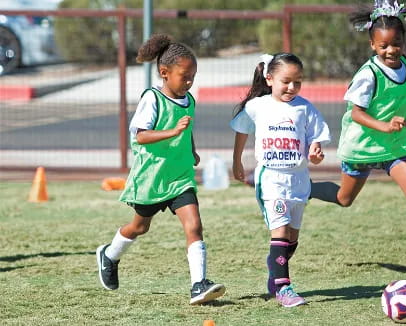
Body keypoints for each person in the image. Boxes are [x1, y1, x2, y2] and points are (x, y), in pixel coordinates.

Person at [310, 0, 406, 285]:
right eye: (383, 46)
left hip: (394, 146)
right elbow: (356, 113)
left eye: (396, 43)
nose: (391, 50)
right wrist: (384, 124)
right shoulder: (368, 75)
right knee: (343, 199)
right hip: (362, 147)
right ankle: (305, 188)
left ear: (404, 41)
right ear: (373, 45)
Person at [96, 33, 225, 305]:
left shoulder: (189, 100)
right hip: (153, 178)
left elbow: (186, 128)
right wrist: (172, 132)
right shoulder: (152, 99)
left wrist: (191, 149)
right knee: (139, 227)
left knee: (195, 226)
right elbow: (141, 136)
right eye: (184, 76)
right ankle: (109, 254)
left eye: (193, 76)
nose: (189, 82)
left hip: (180, 177)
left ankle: (198, 285)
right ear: (165, 73)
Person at [231, 53, 331, 307]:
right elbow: (242, 129)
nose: (292, 87)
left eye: (298, 82)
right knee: (281, 231)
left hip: (299, 180)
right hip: (272, 178)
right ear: (269, 78)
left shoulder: (305, 107)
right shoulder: (258, 105)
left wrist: (315, 151)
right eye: (286, 81)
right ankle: (284, 289)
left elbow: (315, 137)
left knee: (292, 239)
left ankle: (275, 270)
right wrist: (237, 161)